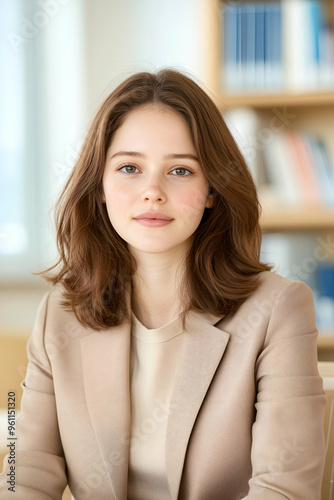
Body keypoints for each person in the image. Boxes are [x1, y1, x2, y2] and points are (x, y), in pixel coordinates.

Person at [0, 69, 326, 499]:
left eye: (180, 171)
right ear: (100, 186)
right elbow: (21, 474)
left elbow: (283, 490)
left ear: (213, 189)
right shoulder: (59, 313)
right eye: (130, 168)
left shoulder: (278, 308)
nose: (152, 191)